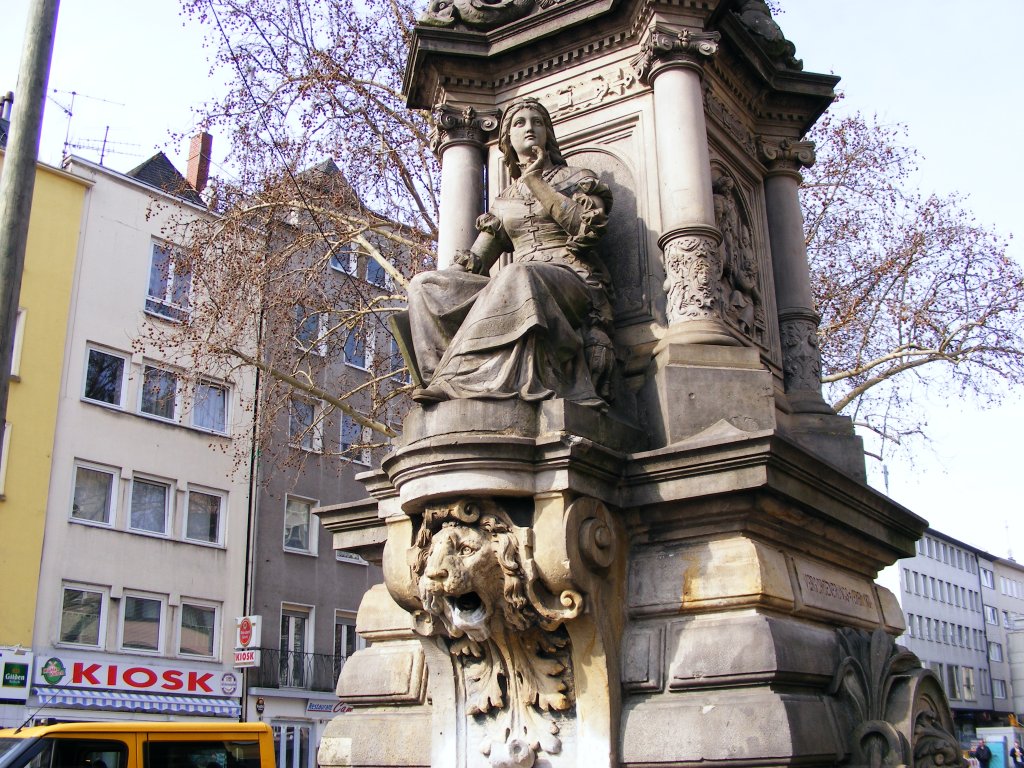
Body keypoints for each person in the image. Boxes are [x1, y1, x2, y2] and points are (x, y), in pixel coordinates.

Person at [406, 97, 615, 408]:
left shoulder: (576, 179)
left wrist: (535, 181)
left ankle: (454, 379)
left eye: (537, 122)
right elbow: (475, 262)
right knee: (424, 285)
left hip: (572, 279)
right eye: (519, 123)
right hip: (520, 280)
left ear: (548, 133)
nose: (529, 128)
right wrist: (449, 279)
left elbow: (584, 229)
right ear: (507, 139)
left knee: (517, 272)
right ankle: (439, 376)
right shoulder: (504, 201)